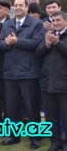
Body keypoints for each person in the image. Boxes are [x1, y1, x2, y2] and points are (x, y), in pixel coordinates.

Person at [0, 0, 44, 149]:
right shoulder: (6, 24)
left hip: (29, 72)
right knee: (11, 107)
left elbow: (37, 44)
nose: (17, 7)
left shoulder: (36, 24)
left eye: (20, 5)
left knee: (31, 108)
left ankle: (35, 138)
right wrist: (5, 43)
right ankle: (13, 136)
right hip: (10, 72)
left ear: (26, 7)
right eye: (15, 5)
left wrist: (16, 41)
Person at [35, 11, 67, 151]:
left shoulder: (61, 37)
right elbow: (38, 53)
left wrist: (57, 43)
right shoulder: (49, 34)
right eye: (53, 20)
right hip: (48, 84)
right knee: (50, 117)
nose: (55, 23)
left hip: (64, 85)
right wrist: (47, 45)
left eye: (58, 20)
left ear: (65, 20)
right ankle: (55, 142)